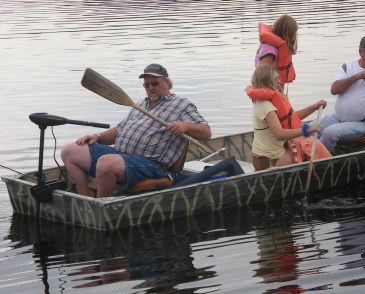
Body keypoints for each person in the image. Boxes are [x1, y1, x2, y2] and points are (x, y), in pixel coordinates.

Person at [61, 63, 211, 197]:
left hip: (151, 165)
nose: (151, 88)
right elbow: (119, 130)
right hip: (120, 155)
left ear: (166, 83)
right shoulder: (139, 105)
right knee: (70, 150)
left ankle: (102, 206)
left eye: (155, 83)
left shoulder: (182, 105)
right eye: (147, 85)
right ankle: (84, 199)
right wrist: (98, 137)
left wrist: (185, 126)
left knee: (106, 163)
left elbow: (206, 133)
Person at [245, 65, 331, 171]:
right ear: (266, 81)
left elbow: (290, 118)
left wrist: (313, 108)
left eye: (279, 78)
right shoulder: (267, 106)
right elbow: (280, 135)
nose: (279, 82)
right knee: (310, 143)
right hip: (273, 154)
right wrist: (308, 130)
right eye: (275, 79)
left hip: (265, 152)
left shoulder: (264, 100)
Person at [255, 15, 298, 87]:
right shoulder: (271, 50)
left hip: (275, 90)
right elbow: (262, 72)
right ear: (289, 34)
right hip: (268, 90)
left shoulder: (276, 47)